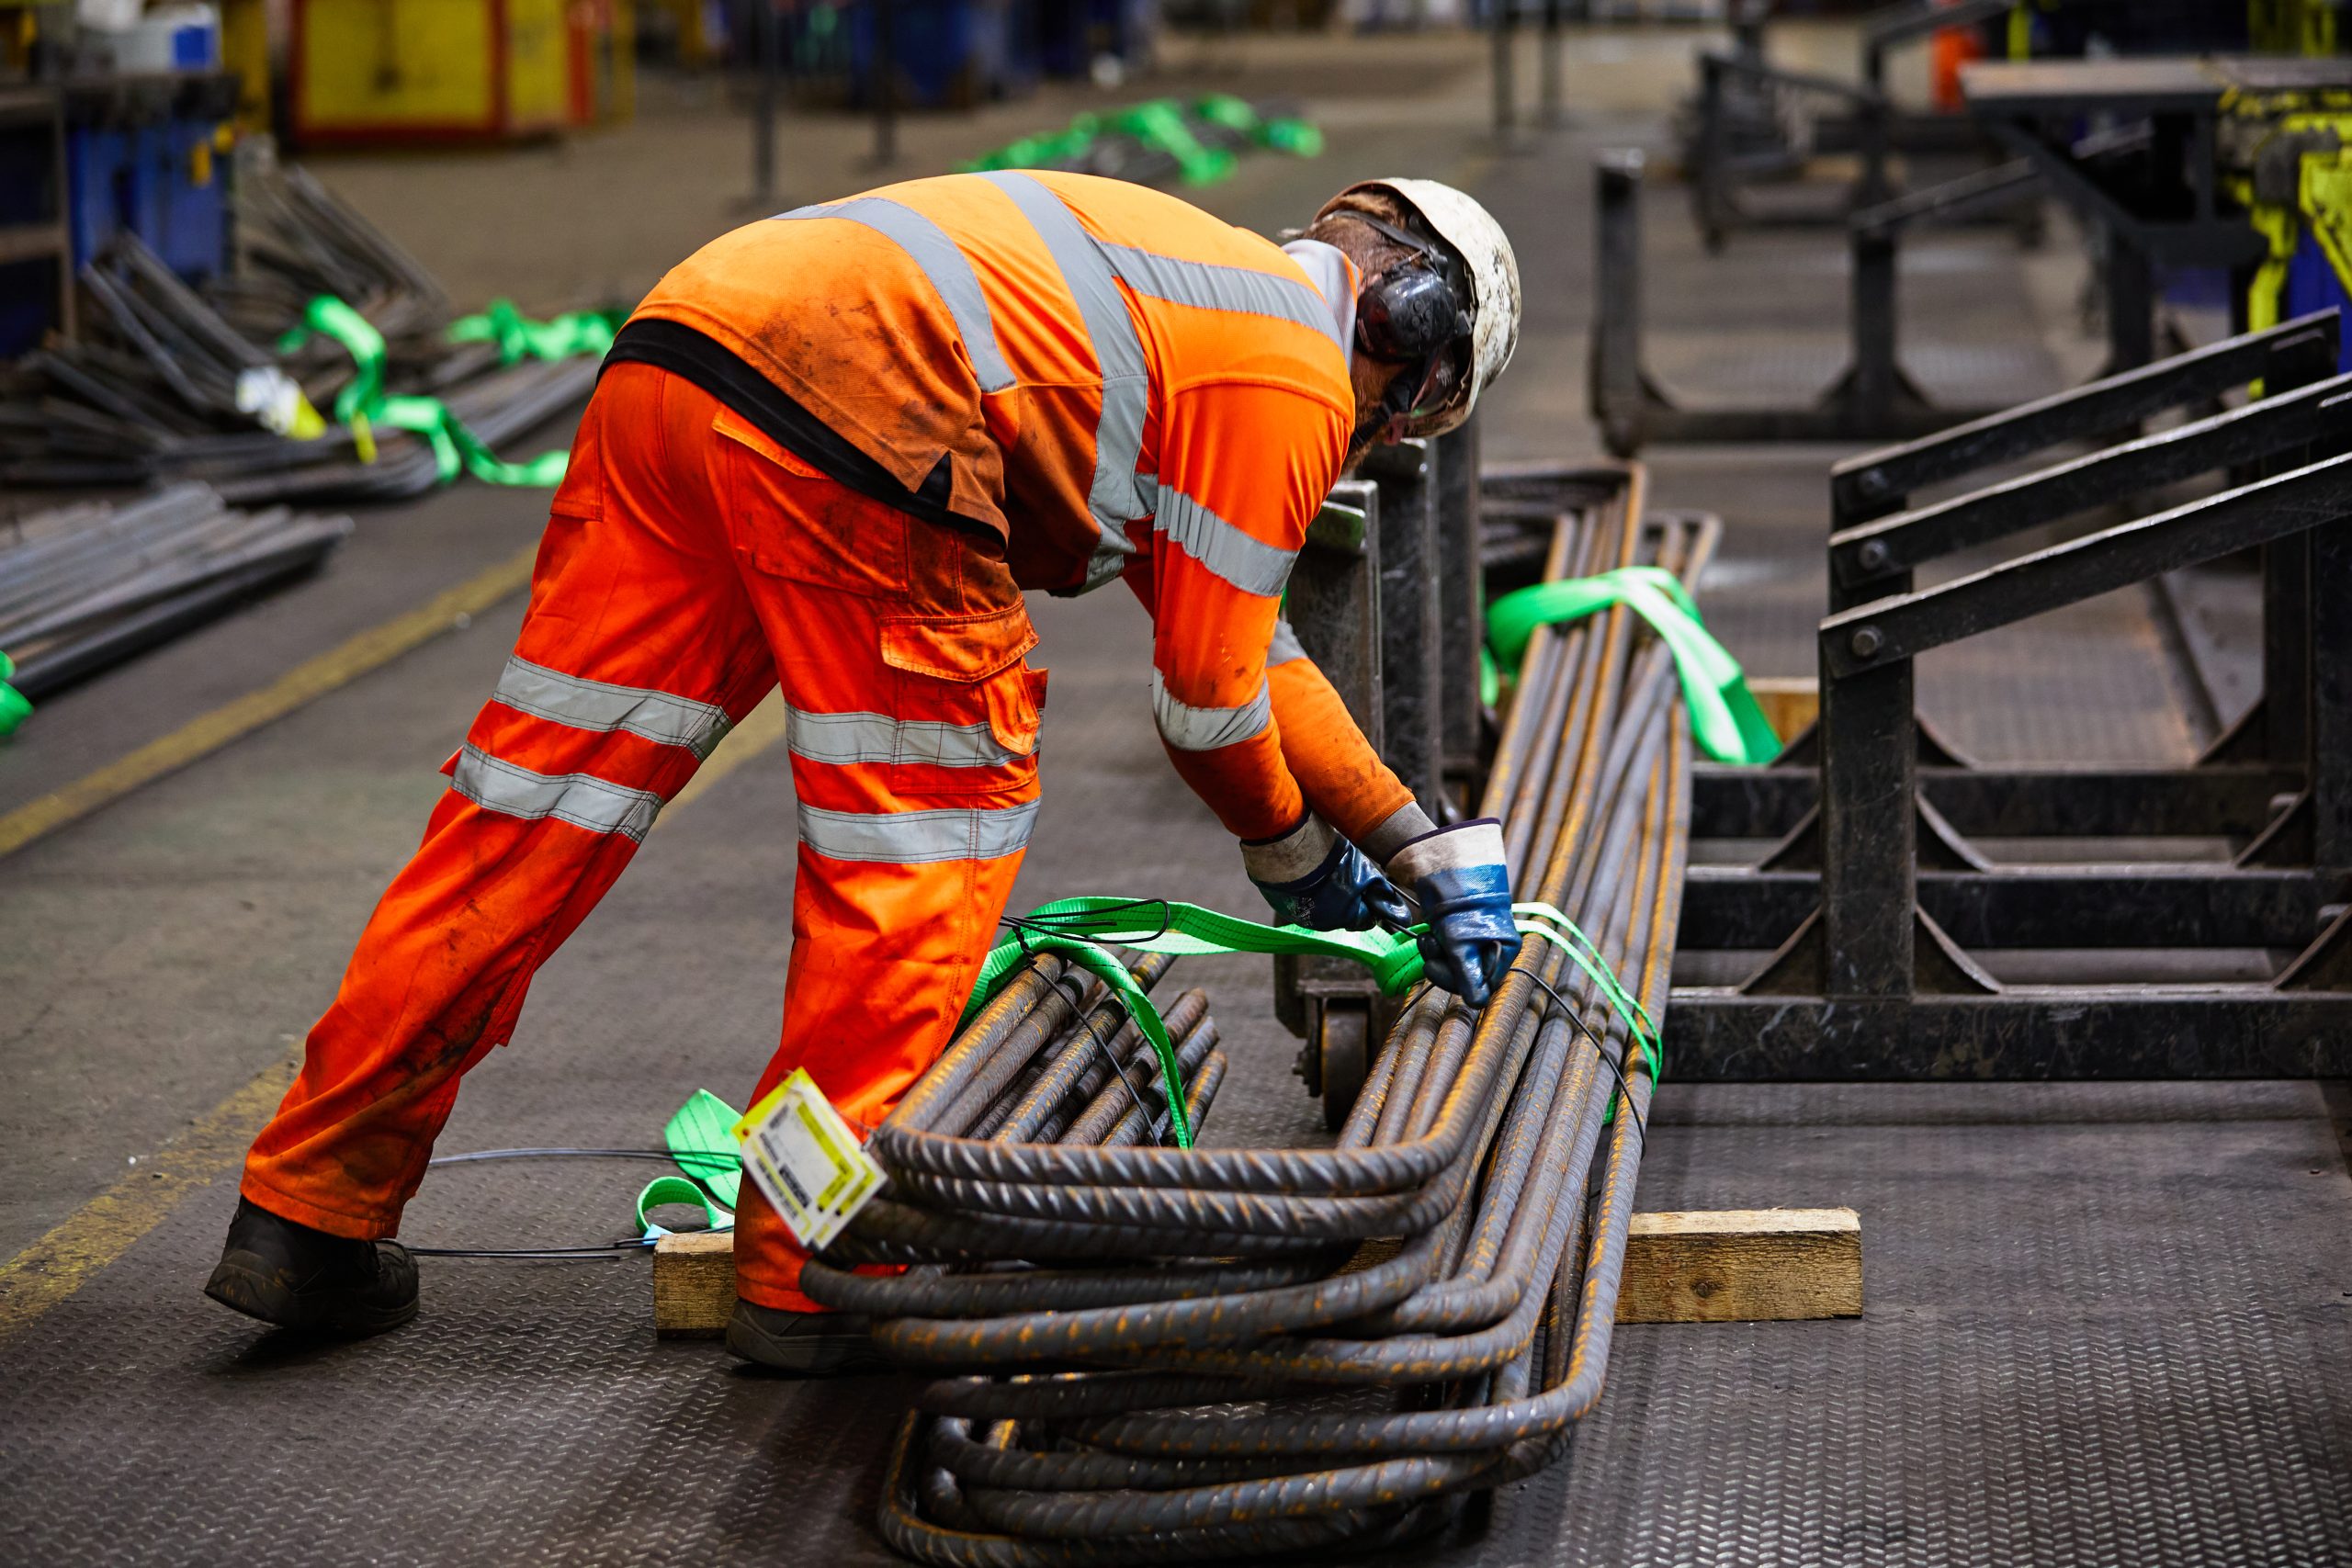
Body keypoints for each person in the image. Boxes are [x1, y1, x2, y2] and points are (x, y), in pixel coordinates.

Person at [203, 171, 1526, 1372]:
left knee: (531, 814)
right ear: (1408, 339)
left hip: (687, 359)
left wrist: (1409, 841)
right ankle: (815, 1264)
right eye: (1400, 423)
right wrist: (1294, 860)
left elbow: (1257, 651)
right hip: (866, 412)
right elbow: (1210, 709)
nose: (1371, 449)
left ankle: (311, 1206)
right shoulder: (1292, 375)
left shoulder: (1195, 294)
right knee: (922, 852)